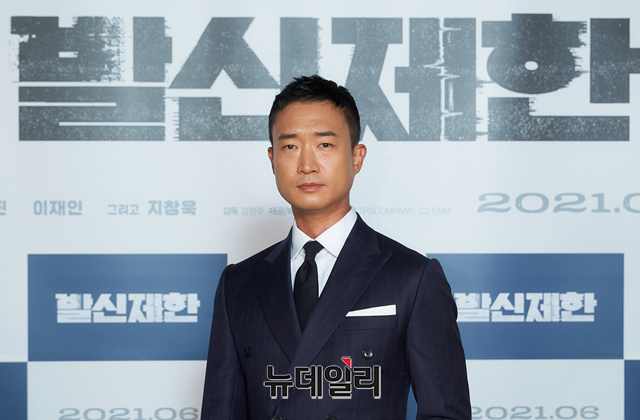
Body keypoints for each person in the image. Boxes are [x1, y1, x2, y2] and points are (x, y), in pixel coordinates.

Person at [201, 75, 471, 420]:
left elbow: (446, 414)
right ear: (272, 159)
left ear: (357, 157)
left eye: (324, 145)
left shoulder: (413, 278)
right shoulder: (238, 284)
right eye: (290, 147)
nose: (307, 165)